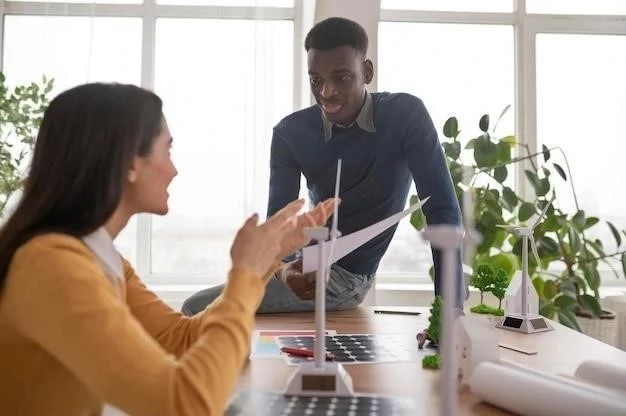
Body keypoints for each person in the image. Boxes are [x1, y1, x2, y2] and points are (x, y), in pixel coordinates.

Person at [0, 82, 336, 416]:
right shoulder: (53, 266)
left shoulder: (99, 259)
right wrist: (244, 275)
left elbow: (181, 340)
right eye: (168, 149)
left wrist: (265, 261)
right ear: (130, 162)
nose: (174, 170)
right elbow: (185, 405)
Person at [182, 16, 465, 316]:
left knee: (197, 309)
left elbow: (443, 212)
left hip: (346, 277)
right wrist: (288, 272)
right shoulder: (289, 134)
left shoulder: (406, 115)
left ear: (366, 72)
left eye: (340, 78)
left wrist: (449, 315)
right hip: (300, 269)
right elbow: (281, 229)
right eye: (316, 79)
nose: (326, 92)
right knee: (198, 308)